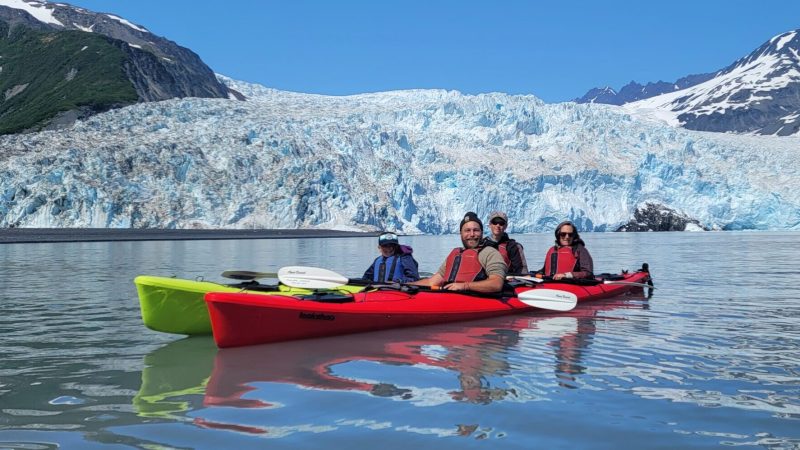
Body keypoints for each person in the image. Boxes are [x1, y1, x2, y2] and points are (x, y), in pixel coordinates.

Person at [410, 212, 507, 293]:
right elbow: (432, 282)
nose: (472, 234)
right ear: (461, 233)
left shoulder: (490, 253)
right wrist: (403, 285)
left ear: (481, 233)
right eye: (467, 230)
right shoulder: (456, 253)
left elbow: (496, 284)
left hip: (475, 299)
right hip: (449, 297)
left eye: (476, 230)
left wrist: (465, 286)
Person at [484, 211, 529, 275]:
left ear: (505, 226)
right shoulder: (482, 244)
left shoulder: (513, 246)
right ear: (490, 225)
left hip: (507, 283)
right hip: (486, 282)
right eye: (495, 222)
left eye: (501, 223)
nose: (498, 225)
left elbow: (522, 271)